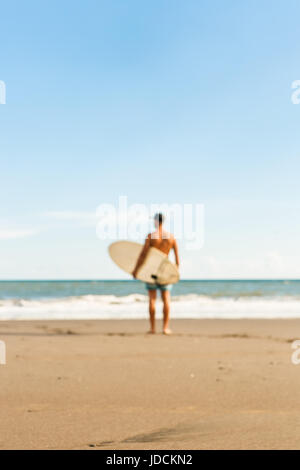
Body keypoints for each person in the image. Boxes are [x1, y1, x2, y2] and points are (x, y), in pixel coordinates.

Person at [132, 213, 179, 335]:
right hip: (164, 271)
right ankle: (165, 328)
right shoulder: (171, 237)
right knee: (166, 299)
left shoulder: (151, 237)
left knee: (152, 300)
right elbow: (177, 259)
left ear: (155, 221)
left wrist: (136, 270)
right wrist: (175, 273)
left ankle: (153, 328)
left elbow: (143, 255)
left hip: (151, 271)